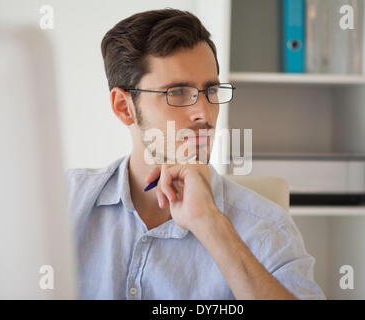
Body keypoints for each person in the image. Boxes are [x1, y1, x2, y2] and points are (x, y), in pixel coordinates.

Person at [66, 8, 326, 300]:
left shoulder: (265, 227)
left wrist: (211, 224)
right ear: (124, 108)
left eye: (211, 91)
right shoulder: (63, 203)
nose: (204, 113)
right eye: (177, 92)